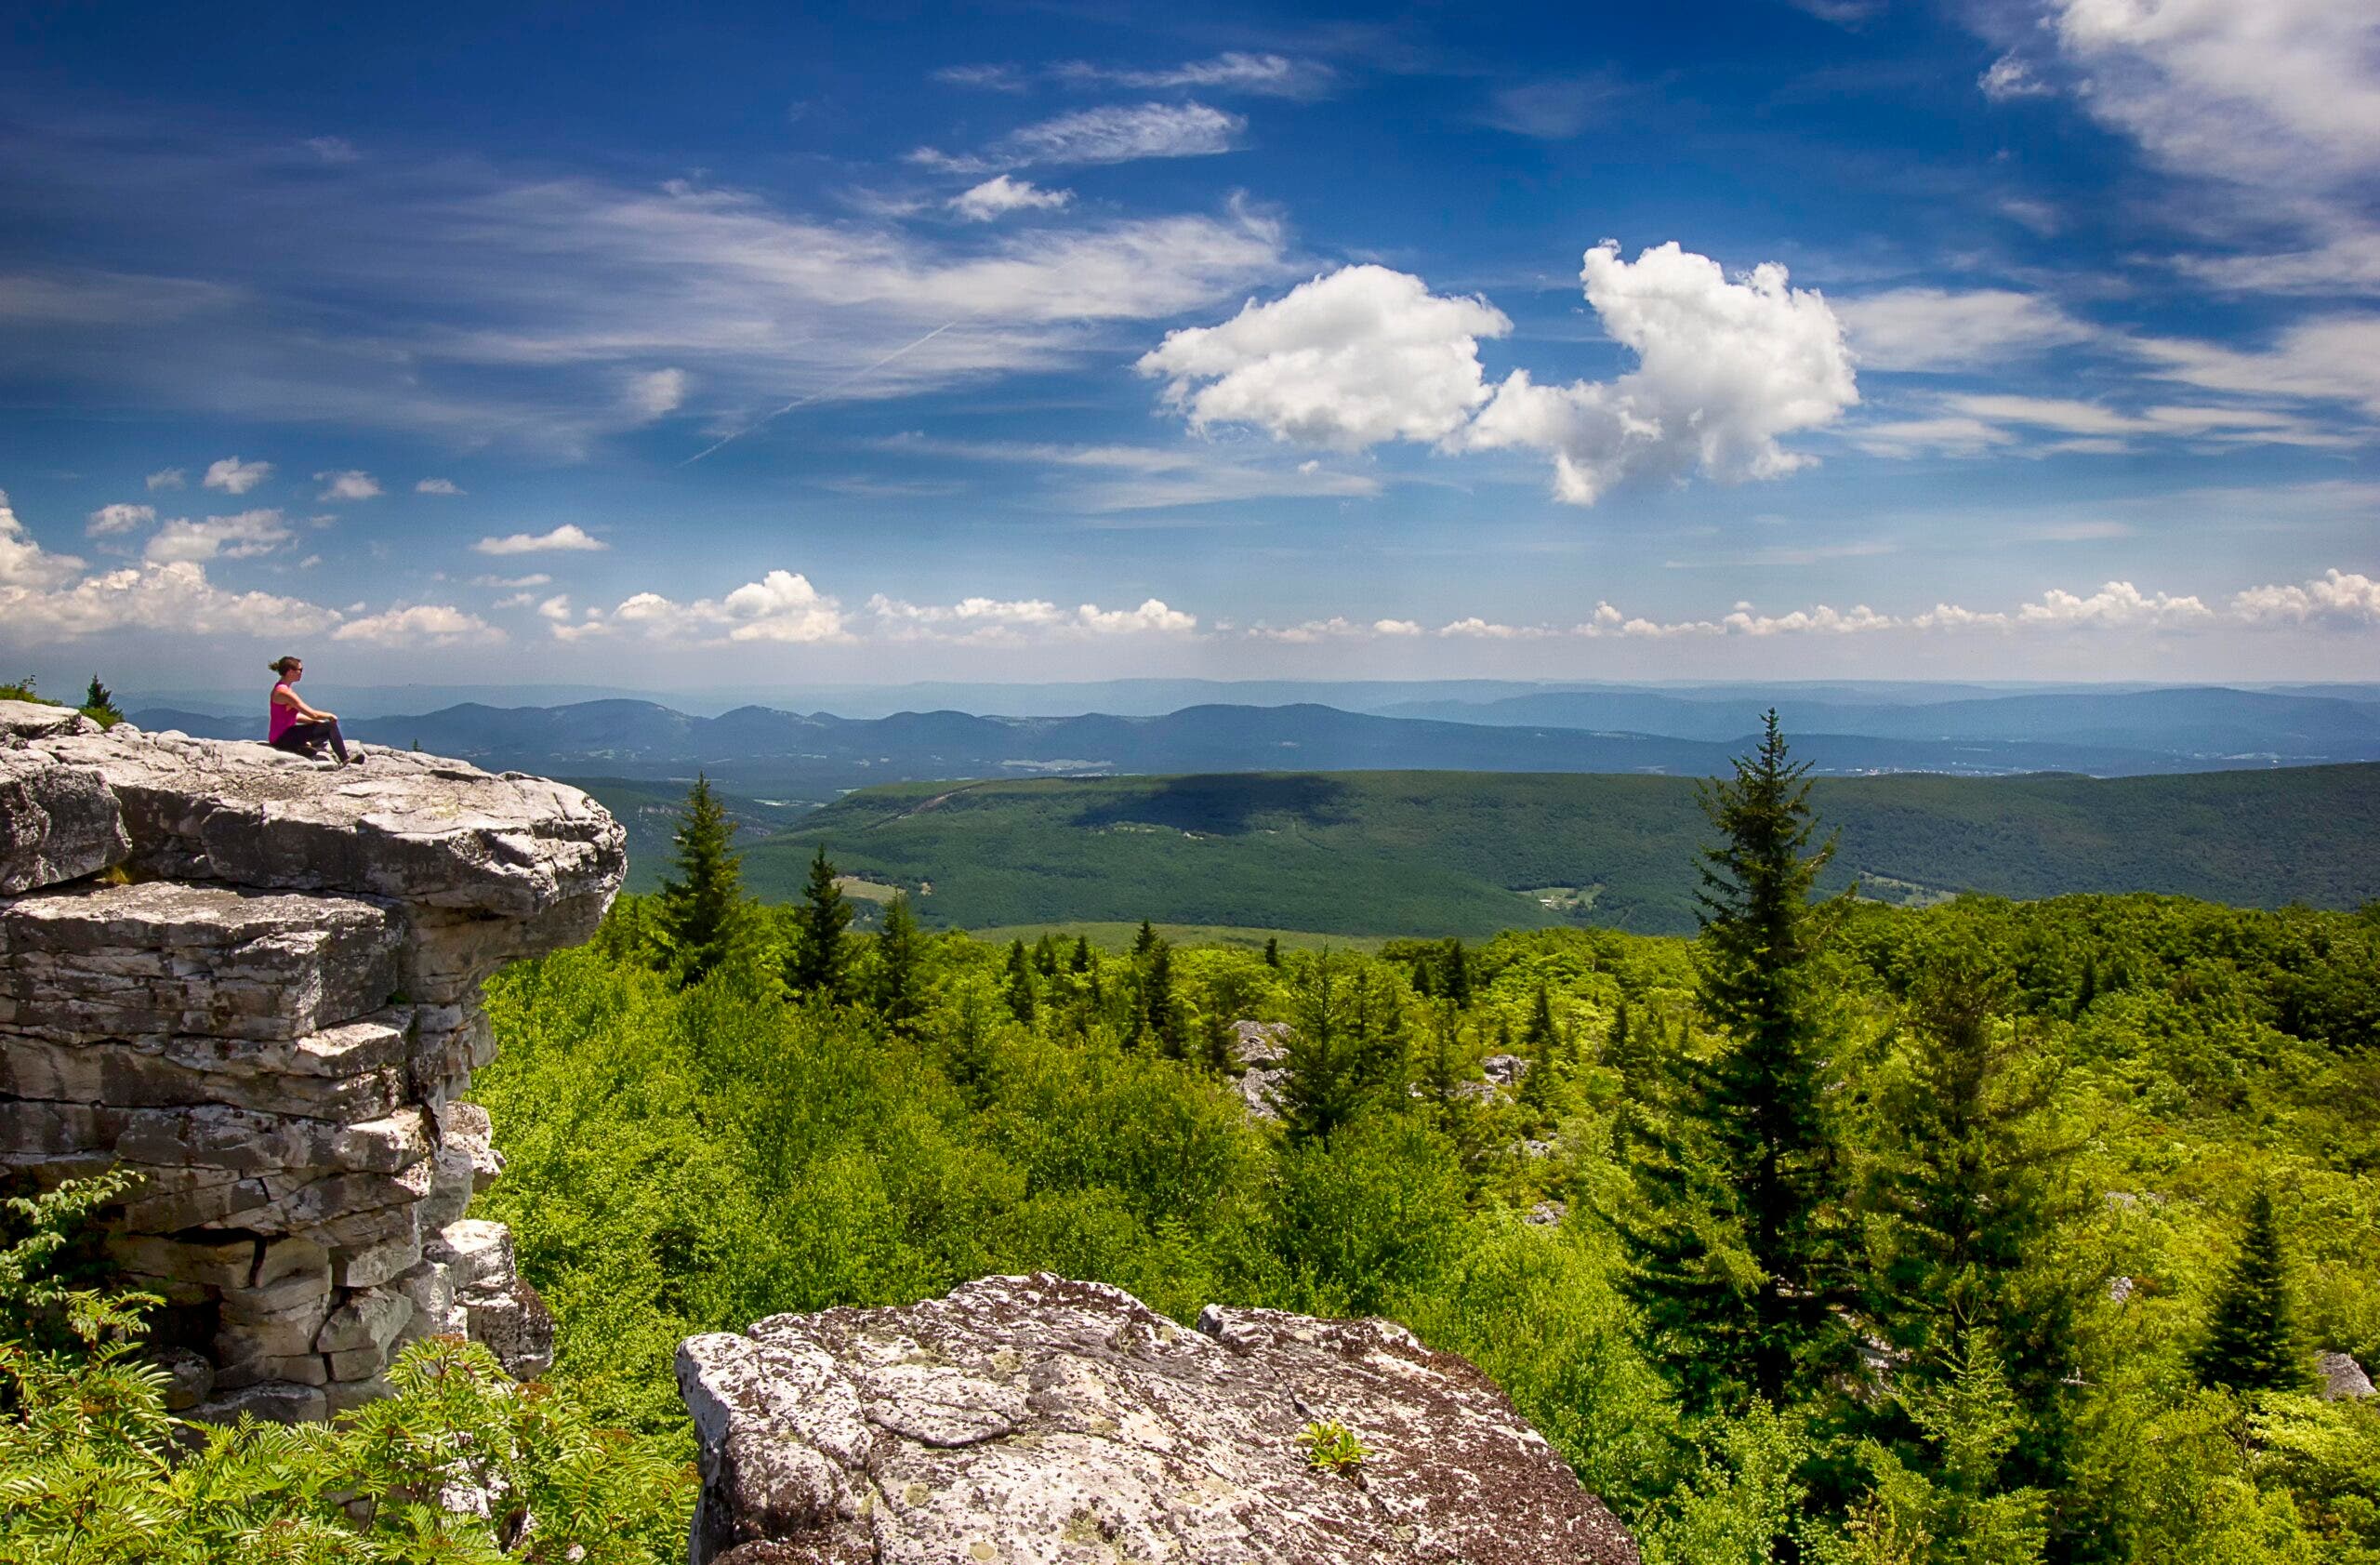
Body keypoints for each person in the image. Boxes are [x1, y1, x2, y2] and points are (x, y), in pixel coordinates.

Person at [267, 656, 364, 765]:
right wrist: (329, 716)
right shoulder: (284, 693)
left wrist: (313, 722)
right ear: (290, 671)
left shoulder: (281, 688)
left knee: (323, 728)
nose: (301, 673)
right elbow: (312, 713)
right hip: (283, 737)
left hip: (280, 737)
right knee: (330, 727)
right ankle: (346, 761)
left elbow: (291, 716)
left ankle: (304, 746)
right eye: (300, 670)